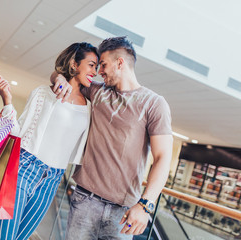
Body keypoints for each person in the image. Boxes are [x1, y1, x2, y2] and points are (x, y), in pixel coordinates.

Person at [51, 36, 173, 239]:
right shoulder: (97, 91)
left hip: (123, 212)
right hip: (84, 201)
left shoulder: (154, 104)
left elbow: (163, 158)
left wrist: (145, 205)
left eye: (104, 65)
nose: (99, 71)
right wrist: (60, 79)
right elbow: (58, 74)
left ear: (120, 63)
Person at [0, 42, 99, 240]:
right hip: (24, 169)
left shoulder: (90, 108)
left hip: (52, 180)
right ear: (74, 65)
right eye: (91, 64)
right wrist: (7, 102)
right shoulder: (43, 93)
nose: (95, 71)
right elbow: (18, 133)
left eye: (97, 67)